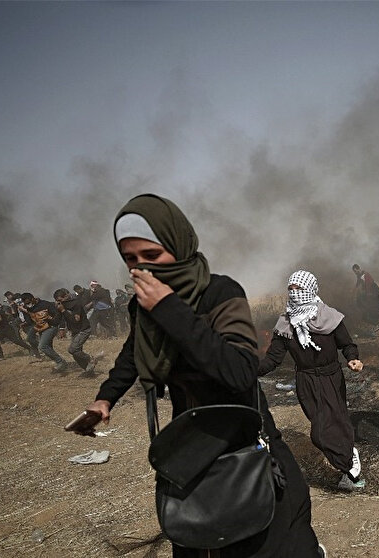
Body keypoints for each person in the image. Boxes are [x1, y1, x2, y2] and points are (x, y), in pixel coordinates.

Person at [77, 193, 322, 557]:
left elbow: (240, 372)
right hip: (190, 446)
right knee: (201, 538)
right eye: (131, 259)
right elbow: (132, 354)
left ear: (178, 244)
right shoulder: (141, 304)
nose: (142, 267)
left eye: (152, 255)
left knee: (274, 540)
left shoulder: (220, 293)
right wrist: (104, 399)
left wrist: (169, 309)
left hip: (245, 440)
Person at [259, 270, 366, 492]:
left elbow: (347, 344)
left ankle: (349, 464)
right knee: (321, 427)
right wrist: (247, 371)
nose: (294, 293)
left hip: (331, 377)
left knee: (327, 429)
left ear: (311, 289)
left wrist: (353, 359)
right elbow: (272, 359)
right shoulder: (285, 324)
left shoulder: (330, 317)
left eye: (299, 289)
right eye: (291, 289)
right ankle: (348, 460)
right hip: (306, 381)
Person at [20, 292, 69, 371]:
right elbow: (29, 322)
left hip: (51, 327)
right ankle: (56, 360)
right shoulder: (28, 308)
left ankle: (61, 362)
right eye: (26, 303)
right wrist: (25, 312)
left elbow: (58, 315)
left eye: (29, 302)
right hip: (40, 327)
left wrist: (61, 328)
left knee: (42, 346)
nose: (28, 305)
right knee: (31, 339)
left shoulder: (45, 304)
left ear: (33, 299)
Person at [54, 288, 98, 373]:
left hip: (83, 329)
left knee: (73, 350)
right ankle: (89, 370)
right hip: (75, 331)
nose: (60, 302)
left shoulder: (76, 303)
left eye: (60, 300)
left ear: (66, 296)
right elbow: (57, 320)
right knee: (76, 354)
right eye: (57, 301)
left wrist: (63, 310)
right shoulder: (61, 305)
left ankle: (91, 358)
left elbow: (75, 320)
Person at [352, 263, 379, 336]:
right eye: (354, 272)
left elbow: (370, 286)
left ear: (358, 269)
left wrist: (367, 296)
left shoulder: (365, 275)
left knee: (369, 316)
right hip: (370, 298)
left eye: (356, 271)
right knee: (367, 316)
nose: (355, 273)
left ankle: (375, 331)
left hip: (374, 297)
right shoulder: (359, 276)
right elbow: (358, 286)